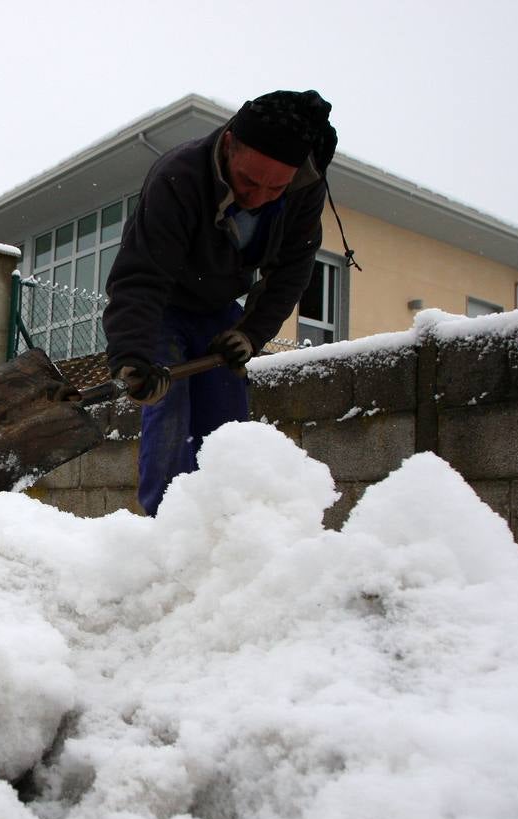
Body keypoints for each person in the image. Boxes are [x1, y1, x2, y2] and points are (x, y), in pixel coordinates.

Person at [103, 89, 346, 516]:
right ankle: (167, 527)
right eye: (250, 181)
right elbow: (142, 275)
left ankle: (223, 529)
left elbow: (291, 271)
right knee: (170, 410)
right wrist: (132, 357)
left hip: (217, 310)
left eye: (276, 187)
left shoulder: (304, 188)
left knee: (227, 423)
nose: (259, 196)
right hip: (164, 306)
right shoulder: (179, 177)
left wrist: (249, 333)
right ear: (230, 143)